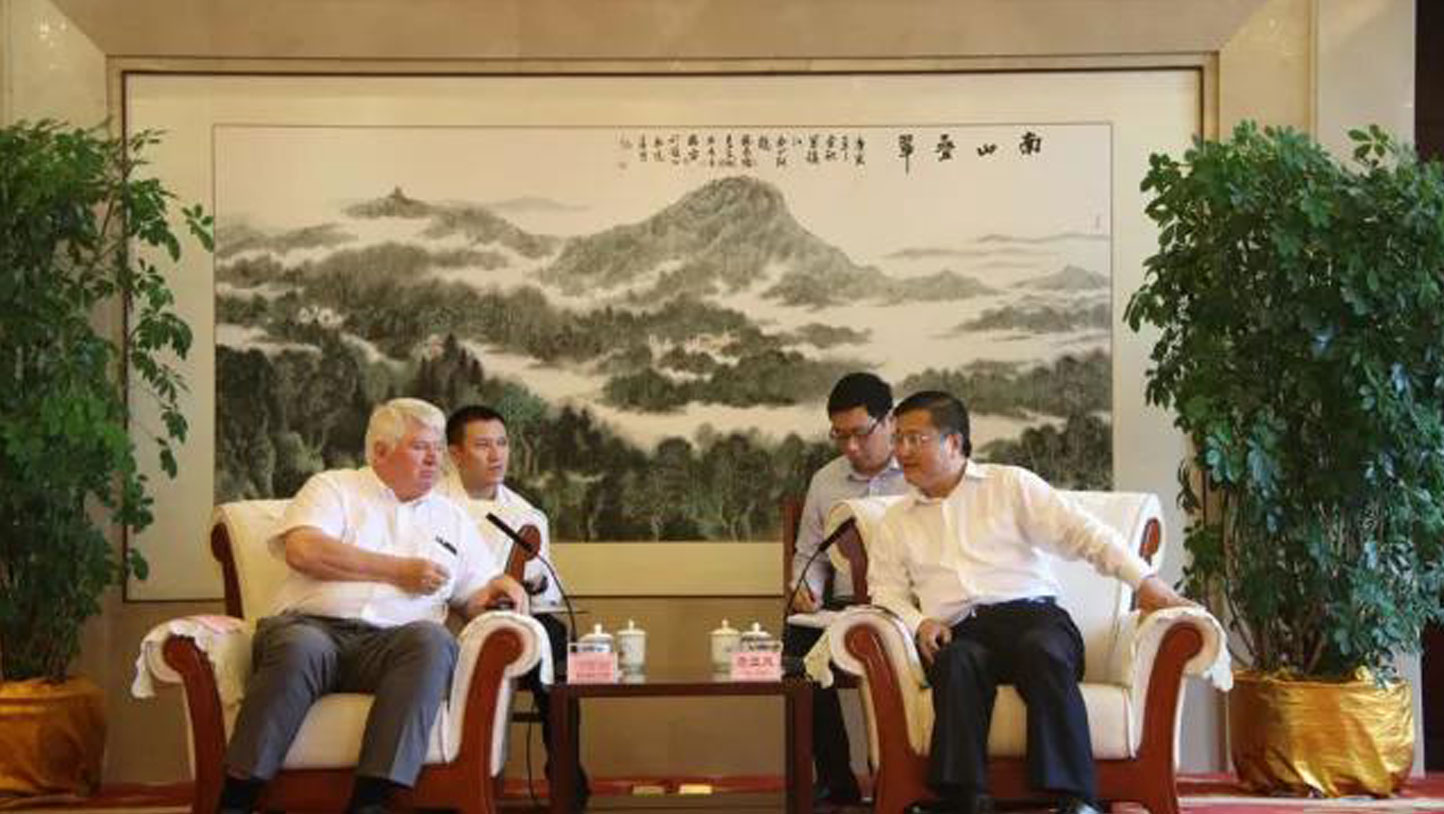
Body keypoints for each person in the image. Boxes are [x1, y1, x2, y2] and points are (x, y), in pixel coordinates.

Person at [868, 391, 1194, 814]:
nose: (902, 451)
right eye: (898, 439)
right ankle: (966, 799)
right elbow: (886, 590)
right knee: (956, 662)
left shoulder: (1009, 485)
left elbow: (1083, 533)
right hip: (961, 630)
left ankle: (1076, 799)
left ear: (954, 442)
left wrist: (1145, 581)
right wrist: (919, 623)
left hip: (1035, 619)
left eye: (916, 439)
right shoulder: (895, 521)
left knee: (1042, 651)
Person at [217, 398, 526, 814]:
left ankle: (372, 800)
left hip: (394, 646)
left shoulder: (451, 518)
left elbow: (474, 595)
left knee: (433, 643)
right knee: (300, 648)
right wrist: (399, 571)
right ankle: (237, 798)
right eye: (420, 447)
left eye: (438, 448)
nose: (434, 459)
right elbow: (303, 550)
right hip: (313, 629)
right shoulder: (334, 488)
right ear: (381, 451)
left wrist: (499, 590)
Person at [440, 404, 591, 806]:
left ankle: (565, 771)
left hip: (510, 624)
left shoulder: (526, 514)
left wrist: (535, 582)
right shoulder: (431, 505)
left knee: (557, 637)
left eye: (503, 444)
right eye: (483, 445)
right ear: (455, 454)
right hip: (447, 621)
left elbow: (548, 594)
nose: (497, 455)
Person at [784, 372, 909, 807]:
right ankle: (836, 779)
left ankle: (908, 778)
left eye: (860, 433)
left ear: (890, 421)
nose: (850, 447)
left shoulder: (918, 473)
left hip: (906, 607)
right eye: (840, 435)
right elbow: (810, 554)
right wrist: (806, 589)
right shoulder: (826, 481)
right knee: (797, 648)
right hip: (839, 605)